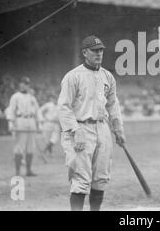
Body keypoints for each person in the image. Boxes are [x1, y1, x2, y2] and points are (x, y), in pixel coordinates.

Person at [58, 35, 126, 211]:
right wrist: (75, 130)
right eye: (95, 50)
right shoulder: (73, 76)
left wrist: (118, 128)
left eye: (101, 50)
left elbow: (113, 104)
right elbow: (63, 107)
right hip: (80, 128)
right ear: (84, 52)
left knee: (101, 178)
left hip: (102, 128)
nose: (99, 53)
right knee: (81, 178)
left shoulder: (107, 76)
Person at [7, 77, 43, 176]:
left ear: (28, 85)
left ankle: (28, 170)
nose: (24, 85)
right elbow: (11, 110)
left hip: (31, 122)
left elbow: (37, 111)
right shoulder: (15, 96)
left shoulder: (32, 98)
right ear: (20, 85)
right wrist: (11, 122)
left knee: (31, 148)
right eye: (22, 83)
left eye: (26, 84)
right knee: (19, 147)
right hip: (20, 121)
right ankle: (17, 171)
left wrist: (39, 123)